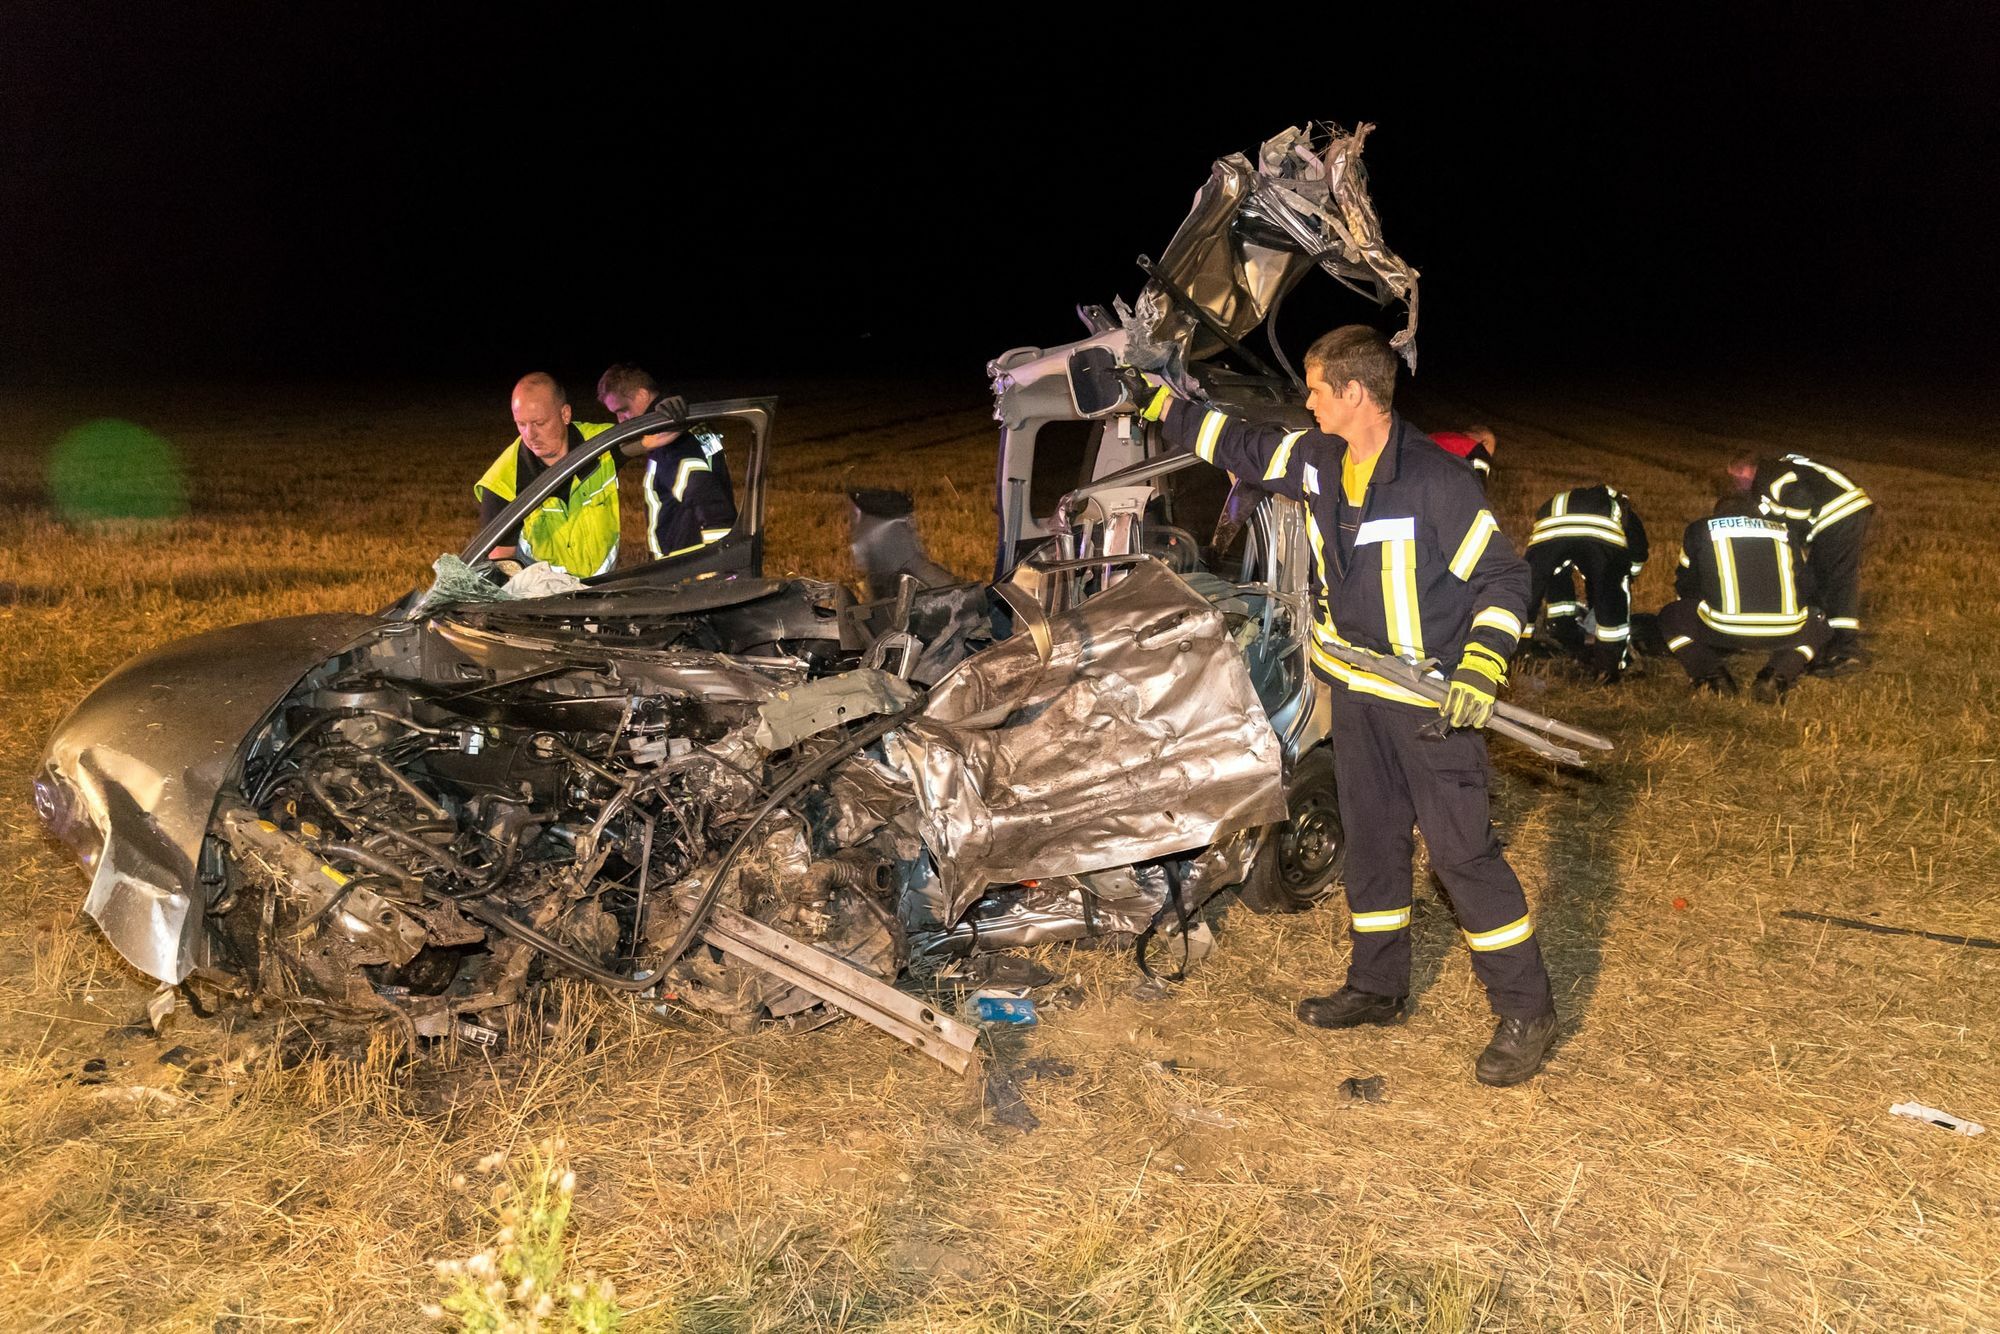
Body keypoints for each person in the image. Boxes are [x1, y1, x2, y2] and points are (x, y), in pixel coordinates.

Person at [1128, 325, 1557, 1087]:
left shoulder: (1436, 483)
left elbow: (1504, 579)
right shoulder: (1318, 460)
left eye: (1318, 389)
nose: (1309, 401)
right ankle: (1378, 986)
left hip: (1431, 708)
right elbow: (1242, 446)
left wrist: (1482, 665)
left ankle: (1526, 1009)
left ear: (1356, 393)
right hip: (1356, 696)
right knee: (1374, 841)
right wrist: (1163, 402)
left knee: (1462, 858)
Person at [1657, 493, 1831, 700]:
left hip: (1722, 627)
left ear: (1718, 513)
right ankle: (1777, 675)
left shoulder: (1701, 529)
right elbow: (1806, 583)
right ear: (1757, 513)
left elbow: (1687, 584)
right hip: (1785, 629)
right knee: (1819, 625)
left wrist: (1706, 605)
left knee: (1670, 616)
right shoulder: (1785, 531)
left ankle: (1712, 676)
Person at [1728, 452, 1872, 671]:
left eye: (1737, 477)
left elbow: (1799, 505)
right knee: (1823, 578)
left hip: (1839, 514)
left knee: (1835, 580)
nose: (1737, 485)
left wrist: (1793, 544)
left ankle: (1846, 651)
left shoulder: (1772, 478)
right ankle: (1827, 644)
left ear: (1748, 470)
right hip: (1843, 510)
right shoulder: (1776, 471)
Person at [473, 373, 619, 575]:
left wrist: (663, 405)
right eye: (521, 424)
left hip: (604, 593)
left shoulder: (600, 444)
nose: (529, 435)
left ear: (565, 414)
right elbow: (501, 565)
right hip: (545, 602)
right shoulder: (502, 482)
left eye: (539, 423)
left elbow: (651, 438)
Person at [597, 363, 737, 560]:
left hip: (685, 564)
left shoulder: (670, 445)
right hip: (693, 557)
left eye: (623, 410)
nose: (621, 420)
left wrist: (717, 564)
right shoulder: (690, 423)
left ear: (643, 395)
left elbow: (711, 504)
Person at [1523, 485, 1649, 682]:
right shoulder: (1622, 508)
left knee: (1531, 588)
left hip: (1548, 532)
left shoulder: (1562, 498)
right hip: (1598, 534)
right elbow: (1638, 553)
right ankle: (1608, 667)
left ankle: (1522, 650)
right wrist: (1627, 574)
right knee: (1611, 592)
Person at [1431, 425, 1497, 487]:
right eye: (1488, 454)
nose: (1487, 458)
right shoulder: (1479, 451)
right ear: (1484, 442)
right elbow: (1477, 486)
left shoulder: (1440, 437)